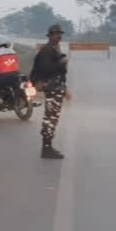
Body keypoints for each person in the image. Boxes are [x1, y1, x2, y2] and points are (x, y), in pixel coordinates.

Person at [30, 24, 71, 159]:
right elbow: (47, 69)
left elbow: (59, 73)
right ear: (50, 36)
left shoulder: (54, 49)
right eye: (56, 34)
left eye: (60, 33)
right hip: (52, 89)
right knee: (50, 118)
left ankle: (48, 147)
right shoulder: (47, 50)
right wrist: (61, 63)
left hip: (56, 88)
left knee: (52, 118)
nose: (59, 36)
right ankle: (46, 148)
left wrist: (64, 89)